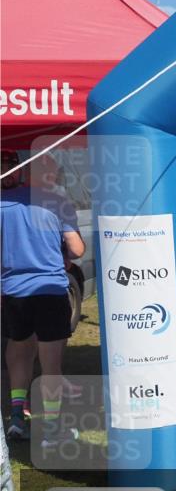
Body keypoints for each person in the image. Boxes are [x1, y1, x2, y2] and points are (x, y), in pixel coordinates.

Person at [2, 149, 86, 445]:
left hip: (13, 292)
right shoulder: (57, 201)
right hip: (50, 290)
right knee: (51, 364)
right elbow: (76, 250)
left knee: (19, 351)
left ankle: (16, 419)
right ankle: (50, 429)